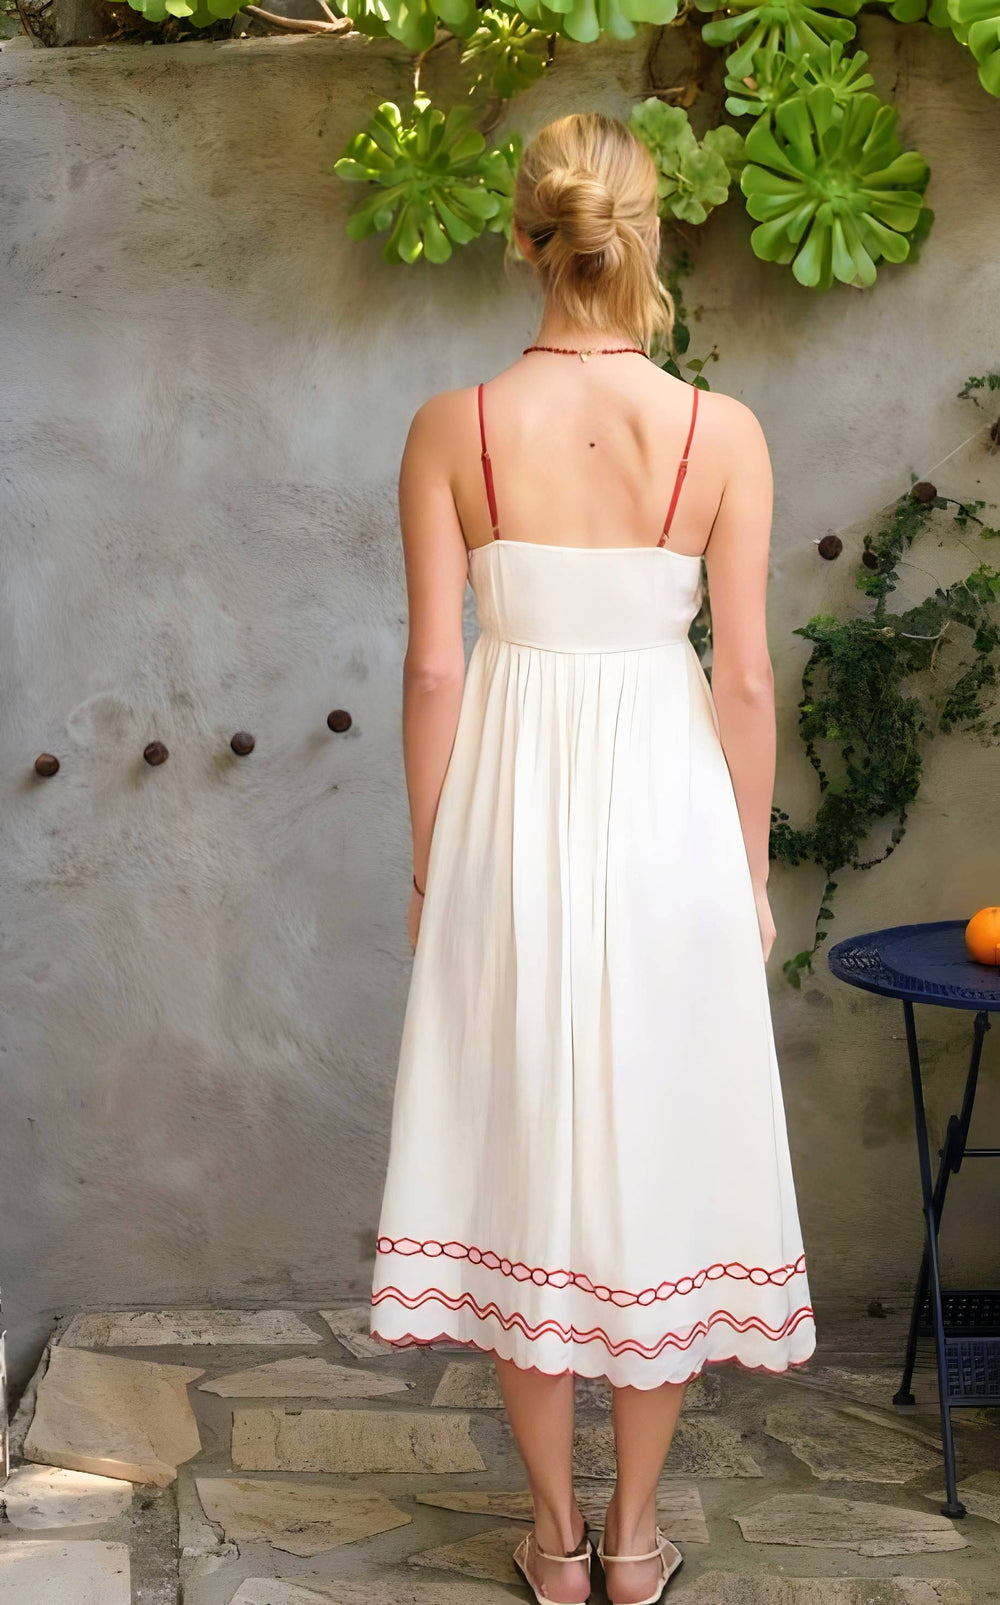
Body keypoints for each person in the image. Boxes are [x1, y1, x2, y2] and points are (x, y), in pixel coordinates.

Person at [370, 110, 816, 1605]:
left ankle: (552, 1539)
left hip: (509, 821)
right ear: (650, 235)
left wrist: (437, 866)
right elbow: (745, 680)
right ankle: (637, 1540)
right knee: (653, 1161)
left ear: (523, 237)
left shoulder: (453, 427)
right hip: (670, 822)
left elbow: (434, 674)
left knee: (525, 1157)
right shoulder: (721, 433)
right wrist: (747, 870)